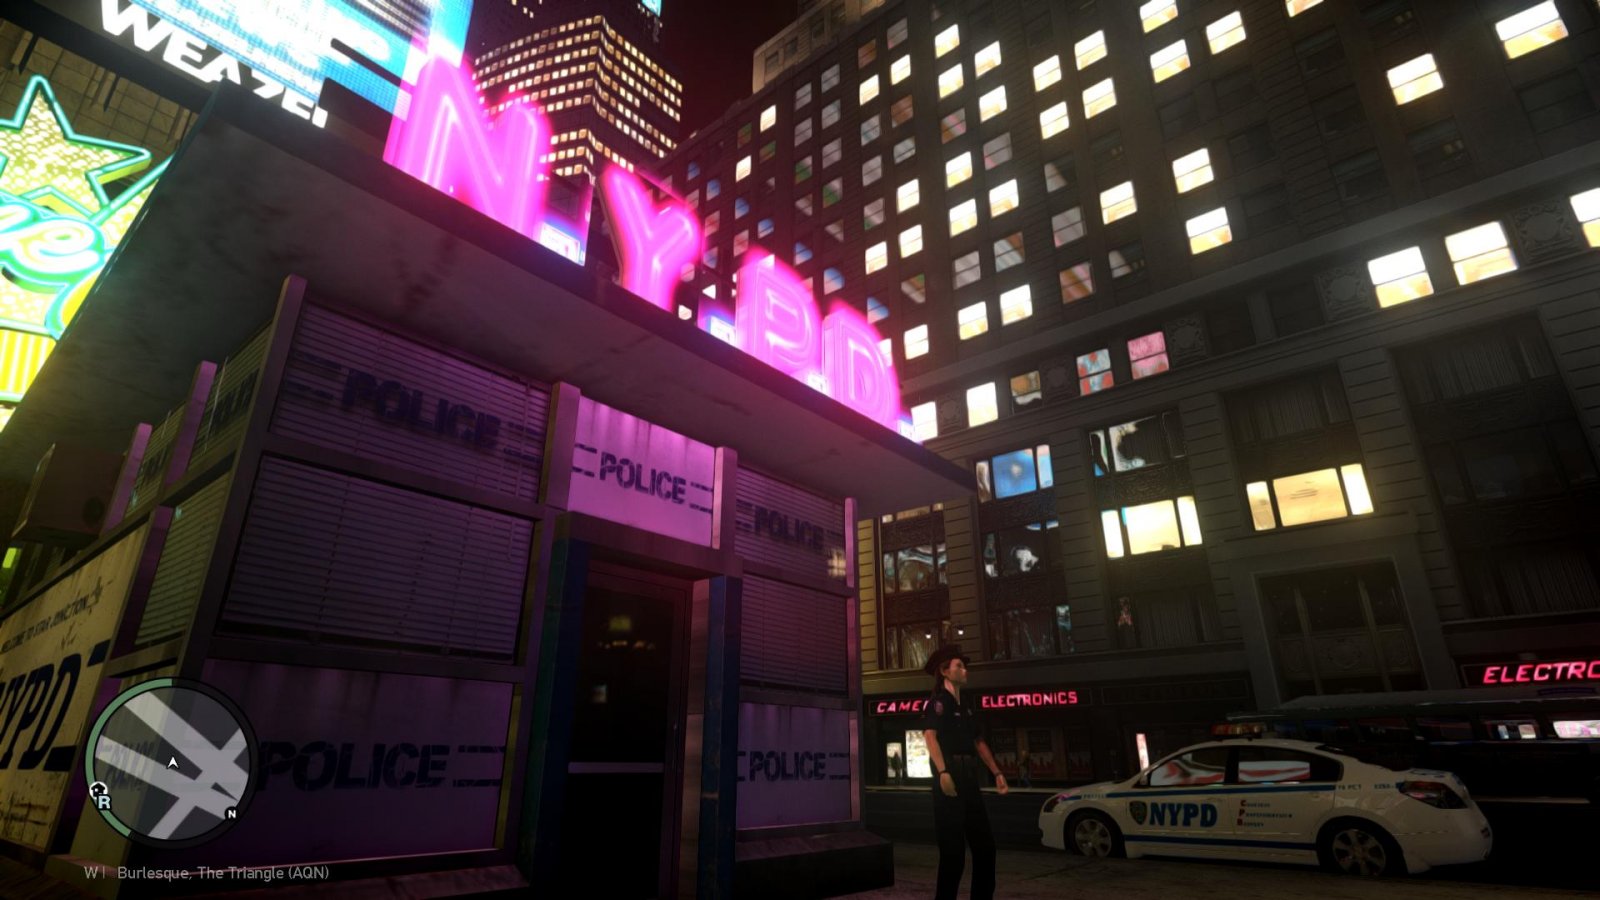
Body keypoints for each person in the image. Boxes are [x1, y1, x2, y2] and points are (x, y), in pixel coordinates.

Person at [920, 645, 1007, 900]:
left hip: (969, 779)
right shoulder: (938, 703)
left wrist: (997, 772)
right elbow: (930, 736)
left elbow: (978, 742)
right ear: (945, 671)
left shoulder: (966, 706)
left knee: (985, 848)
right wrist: (943, 772)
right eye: (959, 666)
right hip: (950, 779)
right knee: (953, 854)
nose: (964, 670)